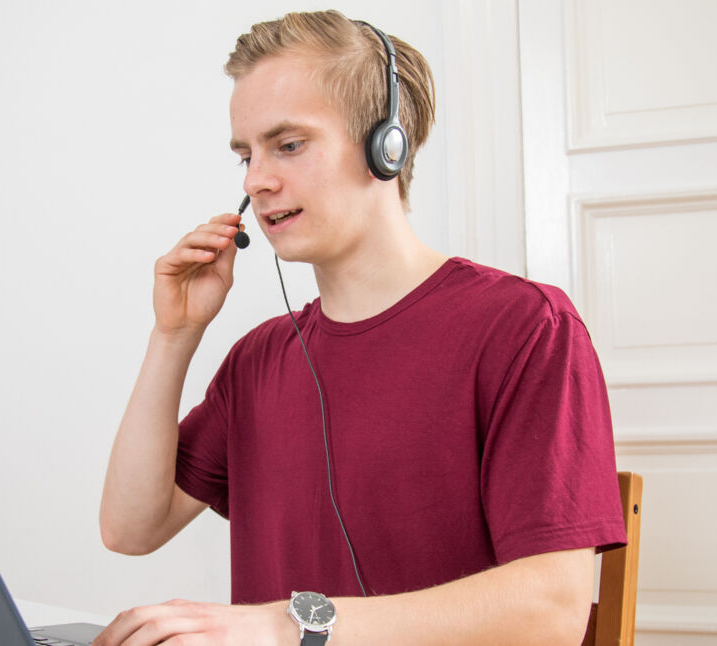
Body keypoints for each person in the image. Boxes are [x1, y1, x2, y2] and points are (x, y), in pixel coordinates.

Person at [96, 10, 624, 645]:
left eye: (288, 145)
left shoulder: (524, 328)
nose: (256, 180)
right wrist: (173, 336)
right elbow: (130, 528)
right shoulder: (258, 359)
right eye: (245, 154)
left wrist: (284, 624)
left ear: (386, 147)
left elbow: (552, 613)